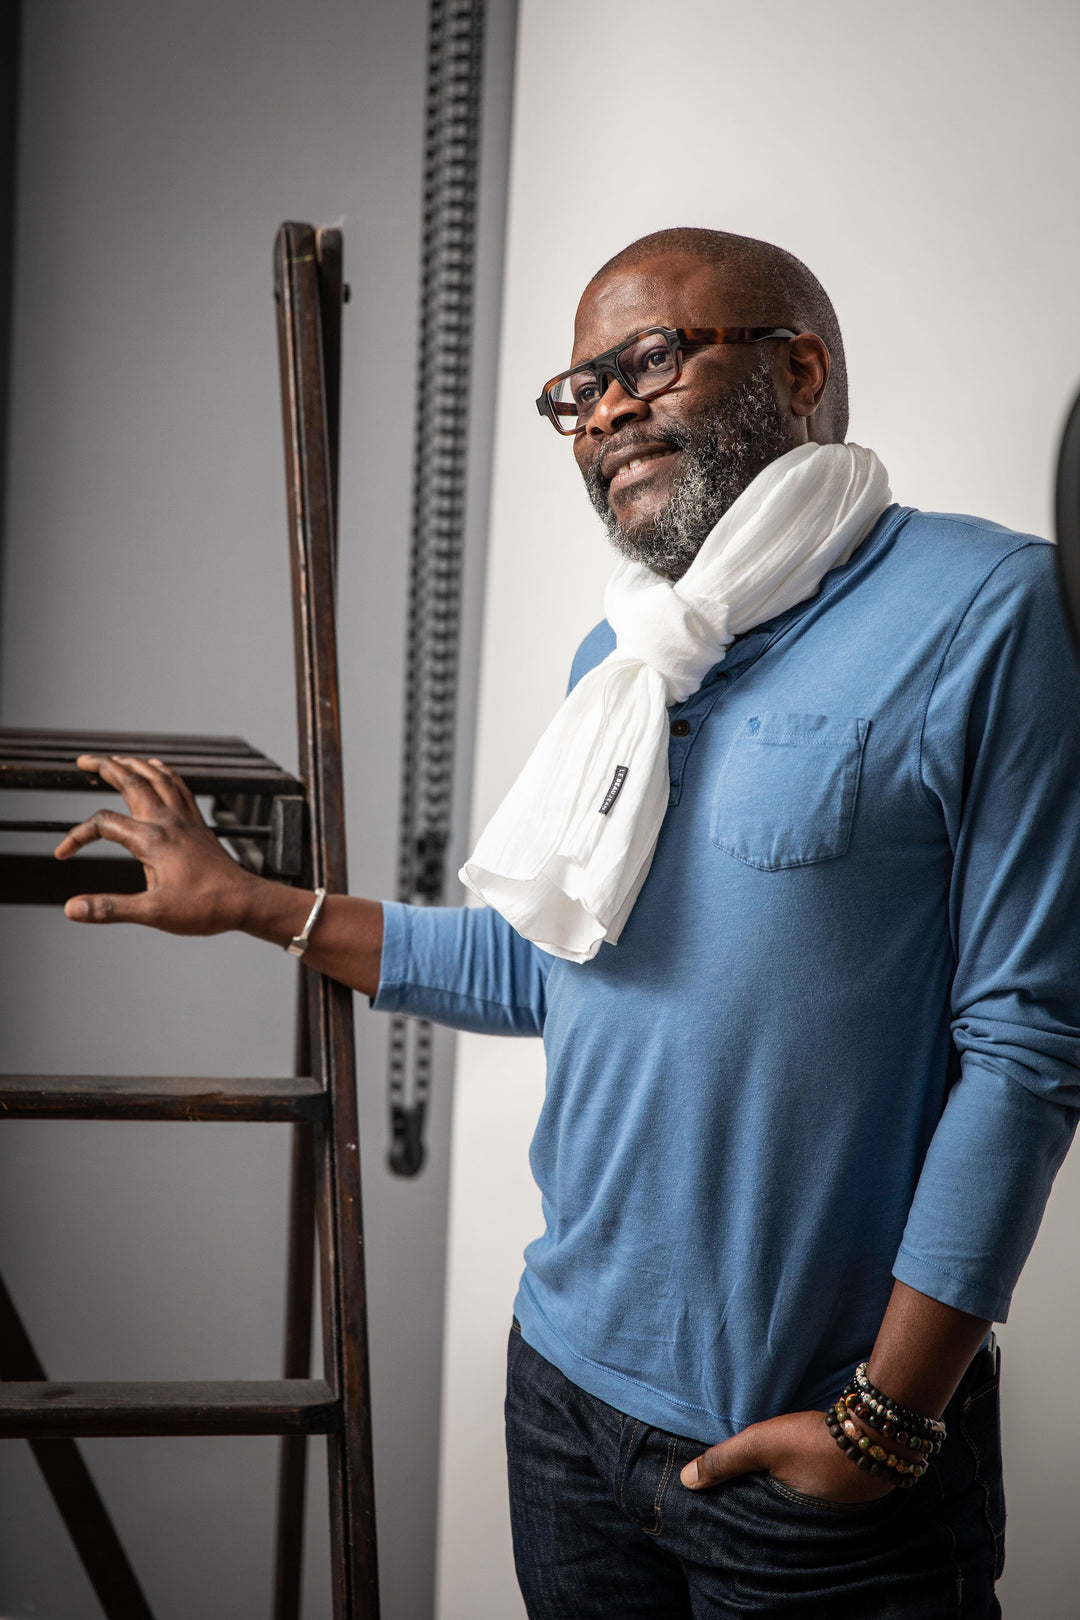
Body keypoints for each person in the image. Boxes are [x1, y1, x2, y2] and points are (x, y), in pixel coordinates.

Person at [55, 228, 1080, 1618]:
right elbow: (553, 966)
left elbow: (1029, 1046)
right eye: (578, 391)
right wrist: (253, 903)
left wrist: (887, 1420)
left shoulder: (990, 608)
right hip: (565, 1407)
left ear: (801, 368)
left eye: (649, 360)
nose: (602, 413)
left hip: (811, 1451)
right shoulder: (630, 651)